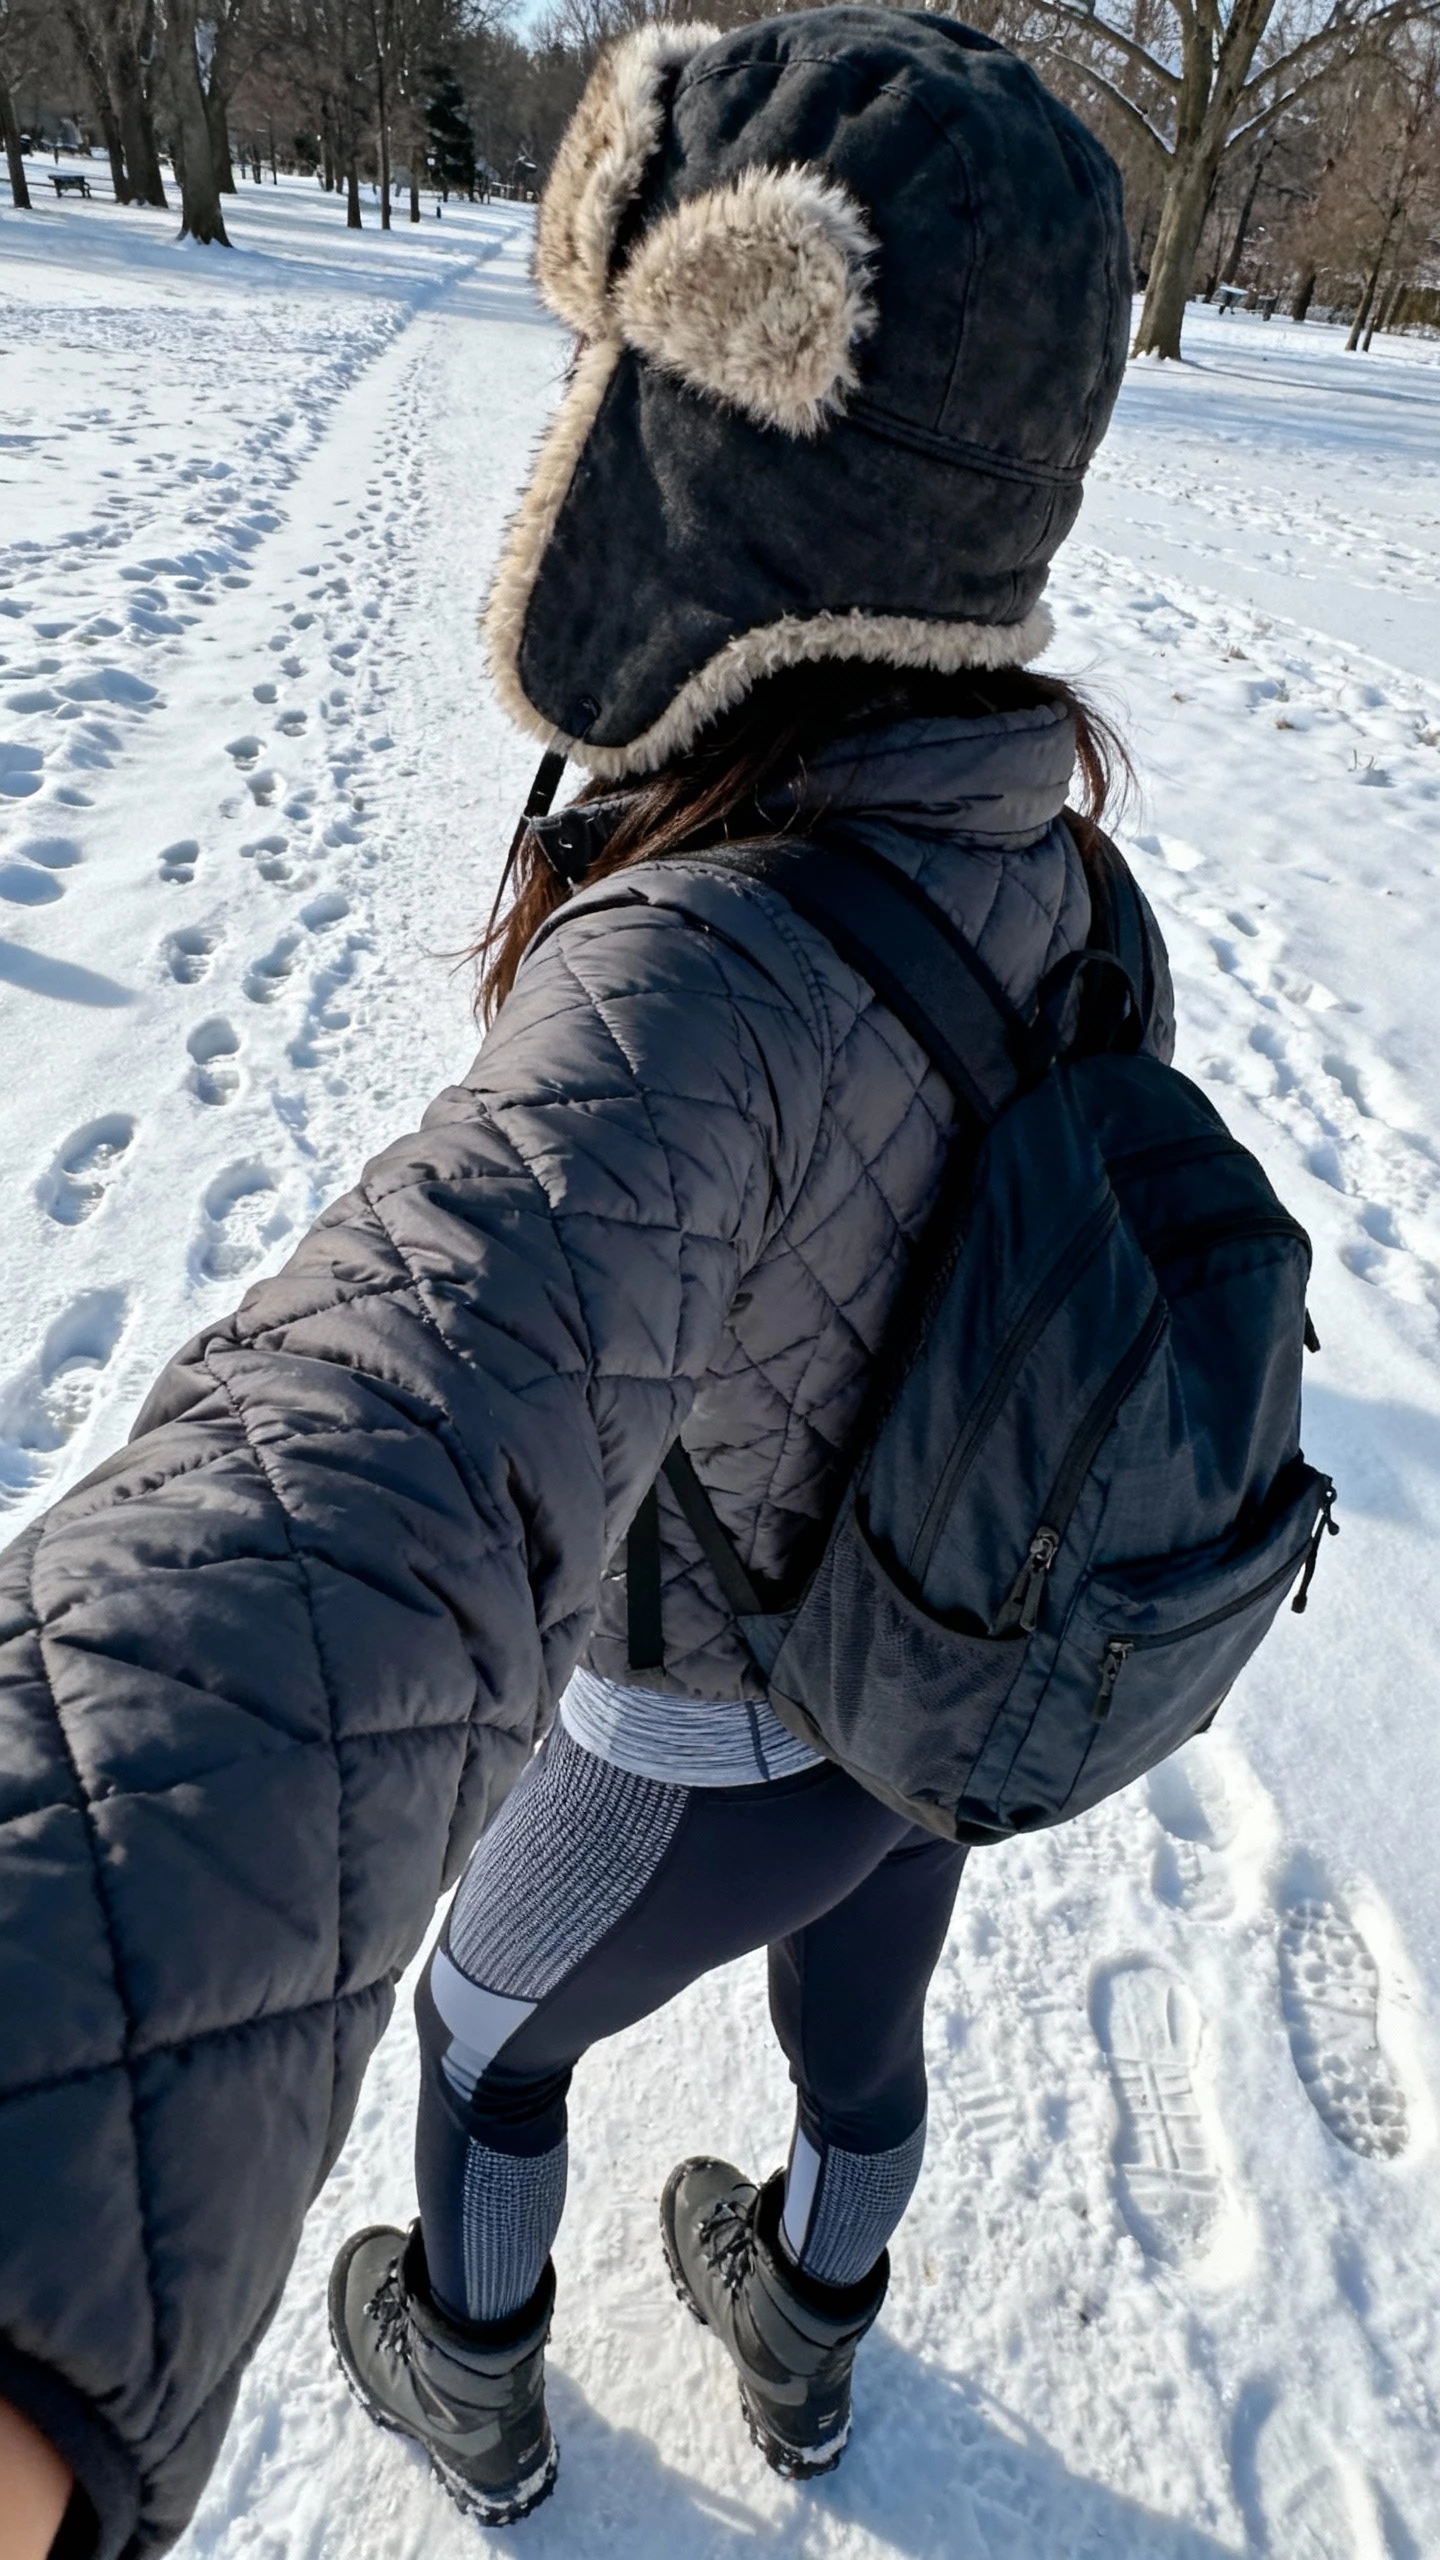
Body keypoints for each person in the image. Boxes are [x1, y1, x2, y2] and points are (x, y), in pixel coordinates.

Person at [0, 11, 1160, 2553]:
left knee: (481, 2024)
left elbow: (383, 1429)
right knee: (864, 2048)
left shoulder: (696, 969)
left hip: (711, 1734)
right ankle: (809, 2335)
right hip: (943, 1682)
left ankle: (478, 2372)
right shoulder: (1047, 840)